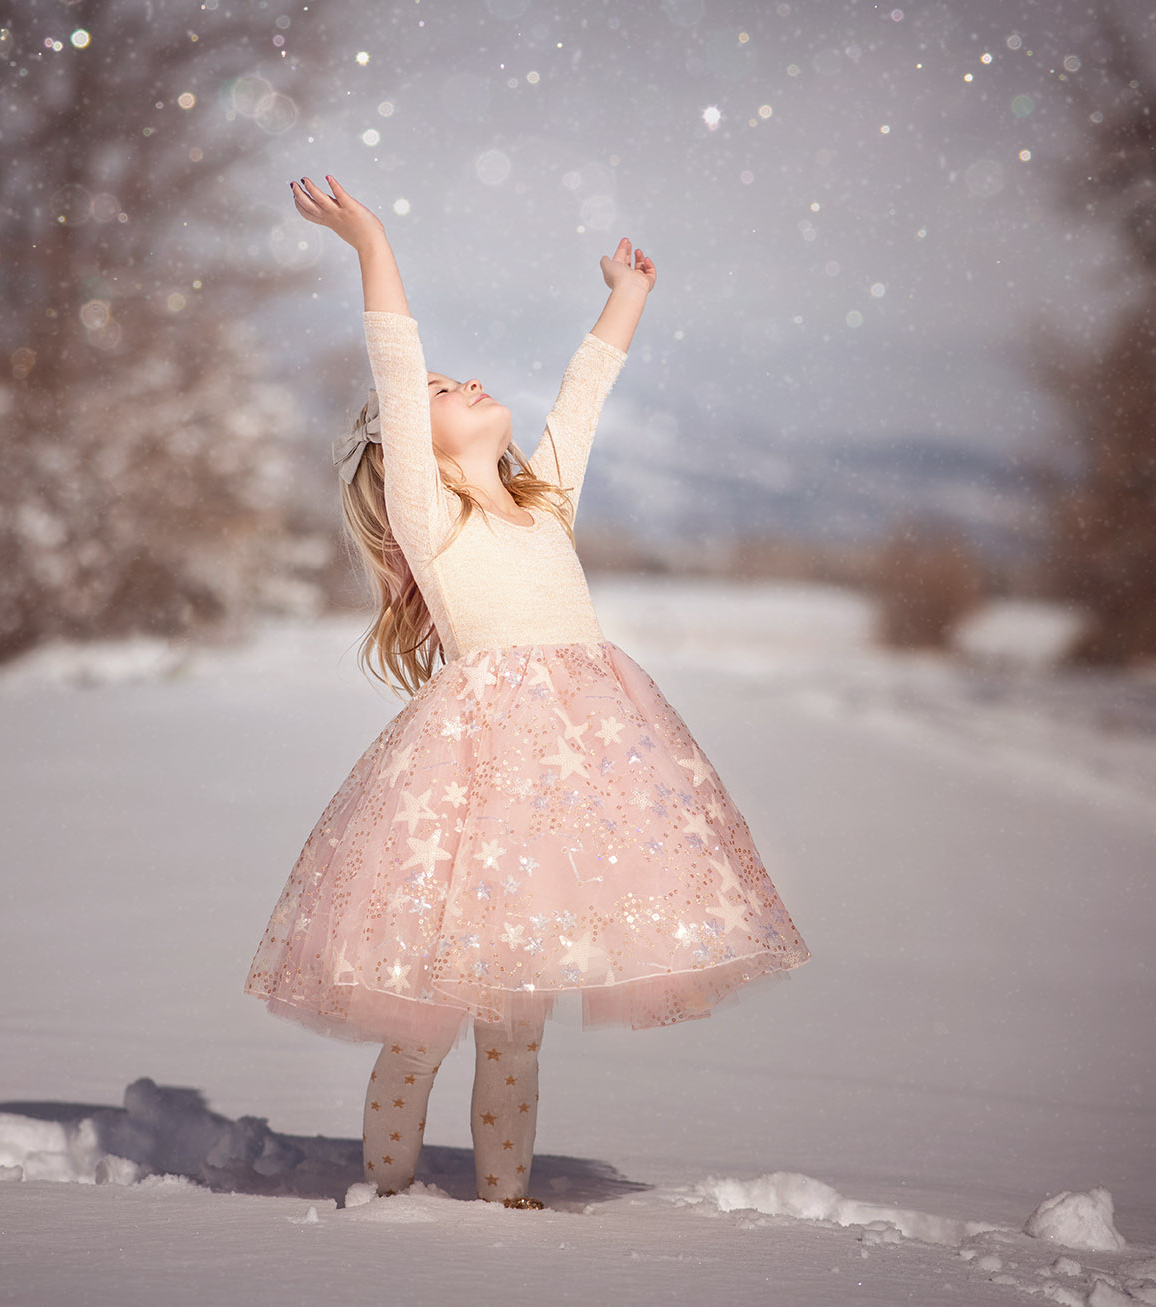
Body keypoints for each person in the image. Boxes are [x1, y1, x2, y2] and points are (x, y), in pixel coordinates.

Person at [244, 173, 812, 1210]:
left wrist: (626, 295)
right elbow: (395, 352)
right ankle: (387, 1190)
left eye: (460, 380)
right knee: (424, 1021)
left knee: (517, 1024)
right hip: (469, 775)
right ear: (406, 450)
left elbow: (584, 394)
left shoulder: (539, 501)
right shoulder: (435, 518)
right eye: (438, 392)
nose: (458, 383)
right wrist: (369, 238)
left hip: (573, 774)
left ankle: (508, 1197)